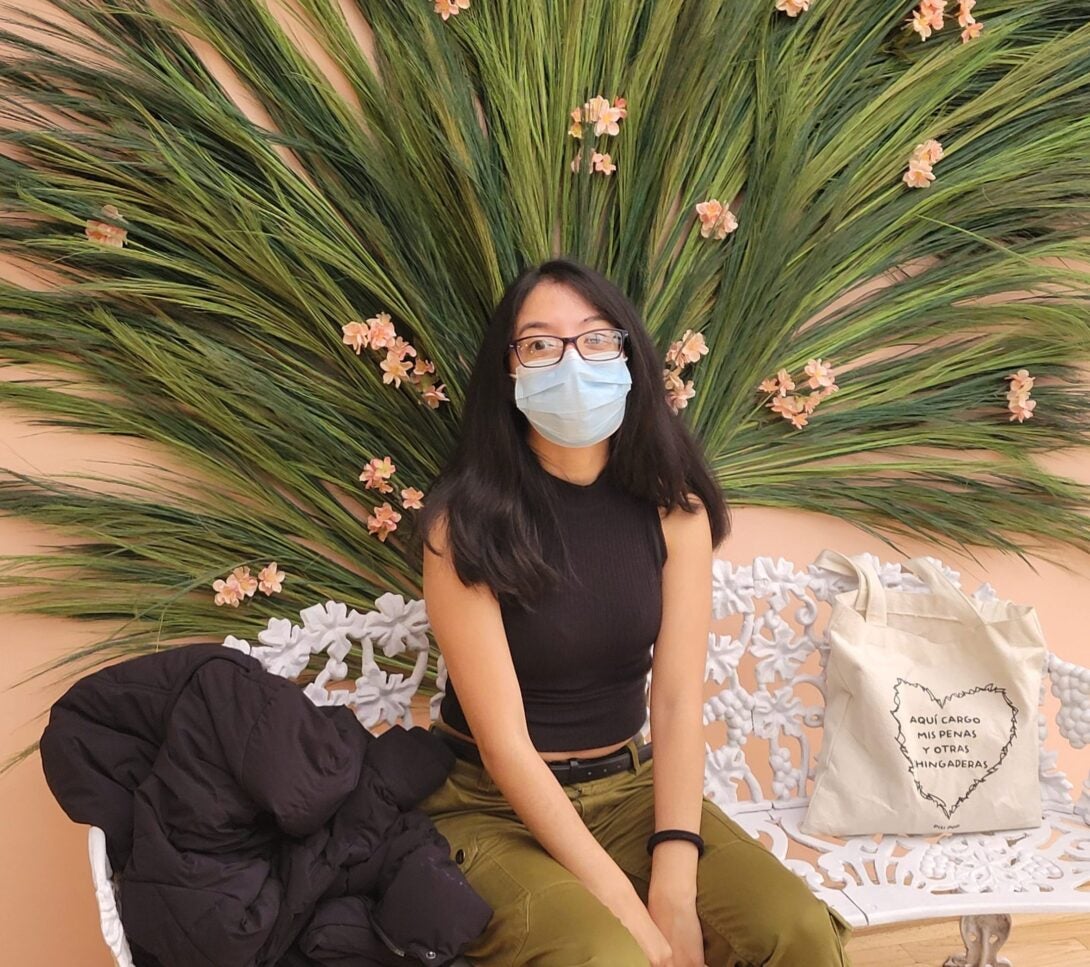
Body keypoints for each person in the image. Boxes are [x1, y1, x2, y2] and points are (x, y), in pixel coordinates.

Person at [412, 257, 853, 966]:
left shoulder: (673, 511)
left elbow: (676, 700)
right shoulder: (461, 527)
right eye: (540, 343)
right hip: (493, 804)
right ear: (510, 370)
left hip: (634, 789)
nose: (570, 360)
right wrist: (634, 915)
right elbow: (506, 750)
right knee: (611, 955)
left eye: (594, 338)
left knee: (793, 926)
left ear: (628, 358)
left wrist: (673, 882)